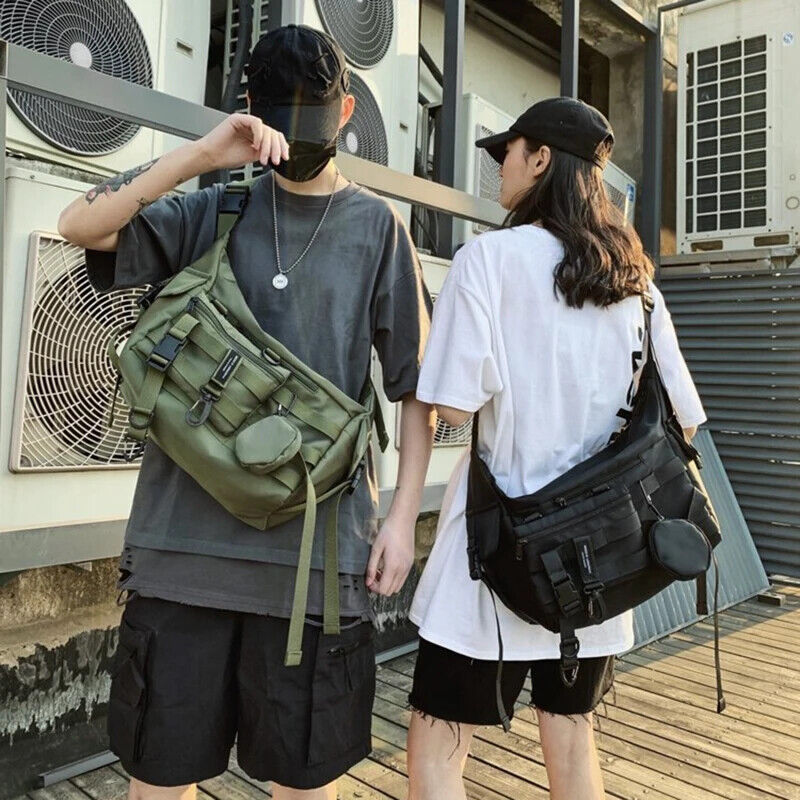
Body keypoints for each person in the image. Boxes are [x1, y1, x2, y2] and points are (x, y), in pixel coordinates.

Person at [58, 24, 434, 800]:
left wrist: (401, 520)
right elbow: (81, 225)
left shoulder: (377, 228)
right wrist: (202, 155)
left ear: (346, 111)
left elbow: (415, 390)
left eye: (316, 122)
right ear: (252, 114)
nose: (302, 141)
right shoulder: (215, 207)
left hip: (314, 565)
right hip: (180, 554)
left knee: (304, 783)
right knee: (158, 779)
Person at [405, 97, 707, 800]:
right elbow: (683, 422)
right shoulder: (636, 281)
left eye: (507, 154)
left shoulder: (487, 260)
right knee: (571, 741)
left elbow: (452, 408)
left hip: (495, 557)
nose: (501, 169)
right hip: (600, 562)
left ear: (540, 159)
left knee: (439, 745)